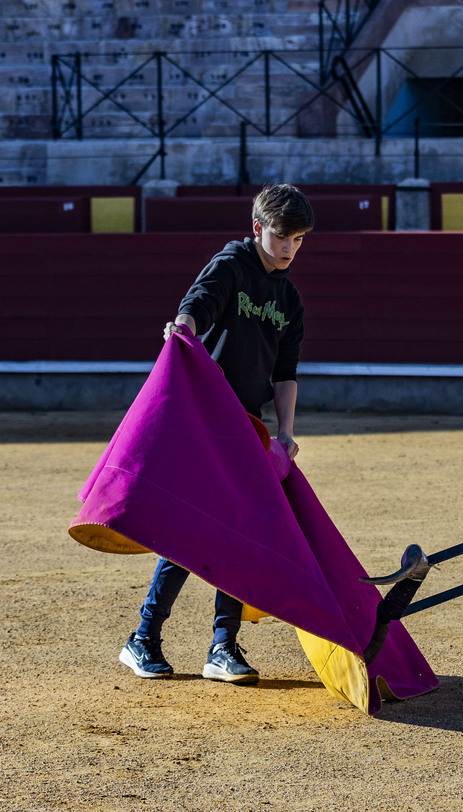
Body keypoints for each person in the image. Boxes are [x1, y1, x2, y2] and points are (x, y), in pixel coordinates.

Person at [118, 183, 314, 684]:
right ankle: (143, 638)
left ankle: (221, 646)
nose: (290, 247)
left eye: (298, 238)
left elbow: (285, 372)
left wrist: (285, 432)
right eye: (282, 236)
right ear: (257, 229)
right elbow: (196, 306)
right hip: (205, 420)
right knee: (195, 529)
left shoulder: (289, 298)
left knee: (241, 533)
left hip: (247, 425)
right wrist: (182, 326)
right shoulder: (230, 265)